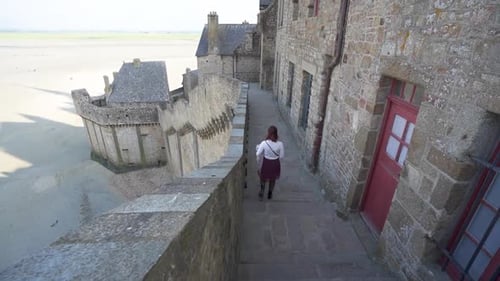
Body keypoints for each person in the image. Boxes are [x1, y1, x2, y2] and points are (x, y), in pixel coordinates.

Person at [256, 125, 284, 200]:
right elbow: (281, 156)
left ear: (268, 133)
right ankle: (270, 193)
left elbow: (258, 154)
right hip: (275, 163)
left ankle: (262, 191)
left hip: (266, 163)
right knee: (273, 178)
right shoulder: (280, 144)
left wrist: (258, 148)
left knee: (263, 177)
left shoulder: (264, 143)